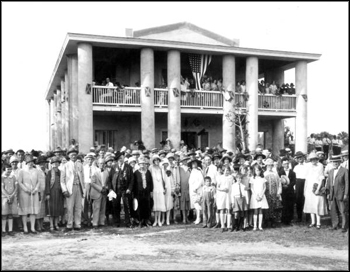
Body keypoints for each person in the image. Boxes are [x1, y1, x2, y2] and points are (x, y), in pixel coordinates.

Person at [60, 147, 85, 232]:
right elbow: (62, 180)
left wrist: (83, 189)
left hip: (79, 187)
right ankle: (69, 224)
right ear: (69, 156)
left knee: (78, 207)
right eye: (72, 155)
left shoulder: (80, 165)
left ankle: (77, 224)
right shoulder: (65, 165)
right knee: (70, 207)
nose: (73, 156)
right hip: (70, 188)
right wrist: (64, 190)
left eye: (75, 154)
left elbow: (82, 177)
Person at [303, 151, 328, 229]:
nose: (313, 161)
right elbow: (306, 179)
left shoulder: (320, 166)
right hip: (309, 187)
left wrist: (318, 189)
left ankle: (318, 223)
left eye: (315, 159)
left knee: (317, 204)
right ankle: (312, 222)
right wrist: (305, 189)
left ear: (317, 159)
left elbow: (321, 179)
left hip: (317, 186)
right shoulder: (308, 166)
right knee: (310, 205)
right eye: (312, 159)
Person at [110, 151, 134, 228]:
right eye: (119, 158)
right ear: (117, 160)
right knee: (116, 206)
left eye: (121, 158)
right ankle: (117, 222)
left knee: (127, 206)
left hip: (125, 189)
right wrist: (110, 189)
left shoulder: (128, 167)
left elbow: (132, 180)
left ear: (124, 158)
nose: (120, 159)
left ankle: (128, 222)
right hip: (116, 189)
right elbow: (109, 179)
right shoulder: (114, 167)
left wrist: (129, 189)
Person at [18, 155, 41, 234]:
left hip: (34, 193)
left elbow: (39, 181)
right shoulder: (22, 171)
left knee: (33, 211)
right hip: (25, 193)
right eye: (29, 162)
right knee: (24, 211)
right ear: (26, 163)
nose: (30, 163)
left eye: (32, 162)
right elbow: (20, 182)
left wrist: (35, 189)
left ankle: (32, 227)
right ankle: (25, 227)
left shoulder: (36, 170)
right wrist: (26, 189)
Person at [326, 155, 348, 232]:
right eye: (333, 162)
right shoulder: (331, 171)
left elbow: (347, 183)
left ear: (339, 162)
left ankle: (344, 226)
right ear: (332, 162)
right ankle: (335, 225)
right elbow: (328, 183)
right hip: (332, 193)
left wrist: (346, 194)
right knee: (333, 210)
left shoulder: (344, 170)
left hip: (340, 193)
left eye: (336, 162)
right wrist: (328, 193)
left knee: (343, 210)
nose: (335, 163)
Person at [45, 156, 64, 232]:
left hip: (59, 193)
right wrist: (48, 193)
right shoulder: (49, 173)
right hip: (52, 192)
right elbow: (47, 184)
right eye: (53, 163)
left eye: (57, 163)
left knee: (57, 210)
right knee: (51, 210)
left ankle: (56, 224)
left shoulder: (60, 172)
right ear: (51, 164)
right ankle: (51, 225)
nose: (55, 164)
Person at [133, 156, 153, 228]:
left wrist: (151, 191)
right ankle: (140, 221)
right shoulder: (136, 173)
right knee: (139, 207)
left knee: (147, 206)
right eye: (141, 164)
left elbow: (151, 182)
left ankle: (146, 220)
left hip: (147, 192)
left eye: (144, 164)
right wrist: (134, 194)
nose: (142, 165)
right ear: (138, 164)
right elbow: (134, 183)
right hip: (139, 193)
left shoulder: (148, 172)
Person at [90, 158, 109, 228]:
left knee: (103, 207)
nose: (102, 165)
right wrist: (100, 189)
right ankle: (95, 223)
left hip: (104, 192)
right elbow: (92, 183)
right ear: (98, 164)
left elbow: (107, 182)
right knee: (96, 208)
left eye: (103, 163)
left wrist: (106, 188)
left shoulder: (106, 172)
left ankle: (101, 222)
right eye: (100, 163)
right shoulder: (94, 172)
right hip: (97, 192)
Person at [263, 159, 282, 228]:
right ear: (266, 166)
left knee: (274, 207)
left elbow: (279, 183)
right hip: (267, 193)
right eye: (268, 165)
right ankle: (267, 221)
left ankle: (273, 221)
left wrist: (279, 192)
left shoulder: (275, 173)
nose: (270, 167)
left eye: (271, 165)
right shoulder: (264, 174)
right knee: (267, 207)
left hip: (274, 193)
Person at [249, 165, 269, 231]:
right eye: (256, 170)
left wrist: (261, 195)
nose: (258, 172)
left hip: (261, 196)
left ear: (261, 171)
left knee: (260, 210)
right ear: (254, 171)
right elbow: (251, 188)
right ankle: (255, 226)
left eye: (259, 170)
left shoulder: (262, 178)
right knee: (255, 210)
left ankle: (260, 226)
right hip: (255, 196)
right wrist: (255, 196)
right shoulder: (252, 178)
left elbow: (264, 187)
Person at [149, 155, 166, 227]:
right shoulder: (151, 168)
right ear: (153, 161)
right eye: (155, 160)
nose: (157, 161)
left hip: (160, 187)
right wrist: (151, 190)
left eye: (158, 160)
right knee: (155, 204)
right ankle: (155, 220)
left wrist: (164, 188)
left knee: (159, 204)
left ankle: (159, 220)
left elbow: (163, 179)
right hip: (154, 188)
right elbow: (149, 179)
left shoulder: (161, 168)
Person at [2, 162, 18, 236]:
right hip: (4, 198)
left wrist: (12, 195)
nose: (9, 171)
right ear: (4, 169)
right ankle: (3, 230)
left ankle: (10, 230)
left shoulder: (13, 177)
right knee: (4, 214)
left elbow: (16, 187)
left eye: (10, 169)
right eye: (8, 169)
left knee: (10, 214)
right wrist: (7, 196)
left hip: (12, 197)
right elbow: (2, 188)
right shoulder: (2, 177)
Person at [279, 157, 296, 226]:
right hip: (283, 191)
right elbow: (279, 181)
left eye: (287, 163)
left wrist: (289, 186)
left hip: (290, 191)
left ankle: (289, 219)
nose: (286, 165)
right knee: (284, 205)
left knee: (290, 205)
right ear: (282, 165)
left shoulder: (292, 172)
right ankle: (283, 219)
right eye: (285, 164)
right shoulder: (280, 172)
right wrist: (283, 186)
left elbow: (294, 181)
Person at [82, 153, 97, 227]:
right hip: (86, 185)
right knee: (85, 203)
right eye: (88, 159)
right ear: (86, 160)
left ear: (93, 160)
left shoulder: (95, 168)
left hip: (93, 186)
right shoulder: (84, 168)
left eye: (91, 159)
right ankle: (85, 219)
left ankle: (91, 219)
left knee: (92, 202)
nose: (90, 161)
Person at [216, 165, 233, 232]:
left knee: (228, 209)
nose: (226, 172)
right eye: (225, 170)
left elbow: (232, 186)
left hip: (229, 195)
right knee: (222, 209)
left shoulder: (231, 177)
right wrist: (223, 189)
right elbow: (218, 187)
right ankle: (222, 226)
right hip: (222, 195)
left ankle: (228, 226)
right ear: (223, 171)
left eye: (228, 170)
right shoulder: (220, 177)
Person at [293, 151, 307, 222]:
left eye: (301, 157)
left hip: (306, 182)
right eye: (298, 158)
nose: (299, 159)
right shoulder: (296, 167)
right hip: (298, 182)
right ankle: (299, 217)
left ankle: (308, 217)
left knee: (306, 199)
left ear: (303, 157)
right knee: (298, 200)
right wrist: (295, 186)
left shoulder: (308, 165)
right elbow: (294, 177)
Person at [188, 158, 204, 225]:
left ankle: (198, 218)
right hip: (192, 190)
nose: (193, 164)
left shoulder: (198, 171)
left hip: (197, 190)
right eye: (192, 163)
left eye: (195, 163)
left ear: (197, 164)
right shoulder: (192, 171)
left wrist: (196, 188)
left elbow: (201, 181)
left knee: (197, 204)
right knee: (195, 204)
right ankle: (198, 218)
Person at [35, 156, 48, 232]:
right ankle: (38, 225)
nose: (42, 164)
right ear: (38, 164)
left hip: (45, 191)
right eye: (40, 163)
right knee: (38, 208)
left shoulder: (47, 171)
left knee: (43, 208)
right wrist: (38, 191)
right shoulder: (36, 171)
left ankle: (42, 224)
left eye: (43, 163)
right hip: (39, 191)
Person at [160, 158, 174, 225]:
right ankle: (163, 219)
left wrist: (172, 189)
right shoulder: (160, 171)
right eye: (163, 164)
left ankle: (168, 219)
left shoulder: (169, 172)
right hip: (162, 190)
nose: (165, 165)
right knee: (163, 204)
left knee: (168, 204)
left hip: (168, 190)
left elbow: (172, 182)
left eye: (166, 164)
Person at [179, 155, 191, 224]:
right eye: (183, 160)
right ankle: (184, 218)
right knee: (183, 204)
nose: (185, 162)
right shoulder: (180, 168)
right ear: (182, 162)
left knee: (187, 203)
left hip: (188, 187)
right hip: (182, 188)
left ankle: (187, 217)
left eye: (186, 160)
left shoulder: (189, 169)